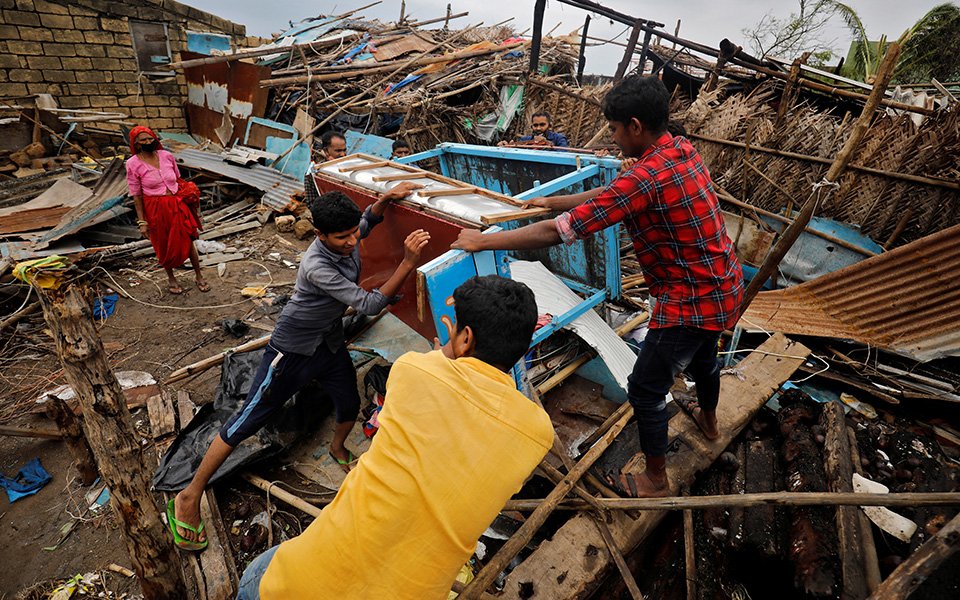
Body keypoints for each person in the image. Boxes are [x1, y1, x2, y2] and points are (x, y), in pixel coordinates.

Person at [453, 76, 744, 498]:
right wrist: (549, 200)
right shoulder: (679, 151)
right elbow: (615, 195)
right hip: (723, 285)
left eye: (613, 127)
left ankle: (656, 481)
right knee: (703, 361)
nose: (610, 135)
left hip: (689, 301)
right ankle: (710, 421)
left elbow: (558, 234)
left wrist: (483, 240)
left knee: (645, 388)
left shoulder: (644, 177)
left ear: (636, 126)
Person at [236, 276, 554, 600]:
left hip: (298, 584)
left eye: (454, 326)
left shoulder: (414, 370)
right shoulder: (538, 432)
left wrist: (443, 357)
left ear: (465, 339)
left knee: (258, 573)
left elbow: (437, 373)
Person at [169, 183, 429, 551]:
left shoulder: (348, 234)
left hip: (328, 343)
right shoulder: (317, 265)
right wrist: (406, 262)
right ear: (320, 234)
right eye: (342, 237)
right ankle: (190, 494)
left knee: (349, 402)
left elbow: (367, 222)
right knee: (246, 421)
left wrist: (384, 200)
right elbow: (369, 305)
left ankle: (338, 448)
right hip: (291, 352)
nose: (353, 241)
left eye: (355, 232)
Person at [126, 126, 209, 295]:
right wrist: (142, 222)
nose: (149, 142)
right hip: (155, 208)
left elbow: (177, 179)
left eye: (151, 139)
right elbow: (136, 195)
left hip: (177, 203)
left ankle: (199, 275)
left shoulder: (166, 156)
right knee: (162, 242)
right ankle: (171, 278)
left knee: (188, 237)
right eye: (144, 140)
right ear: (137, 143)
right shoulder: (132, 164)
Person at [498, 111, 569, 148]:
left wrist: (546, 143)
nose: (538, 128)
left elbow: (563, 154)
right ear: (532, 127)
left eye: (542, 125)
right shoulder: (524, 140)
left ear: (549, 126)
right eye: (535, 125)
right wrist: (506, 147)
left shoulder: (559, 138)